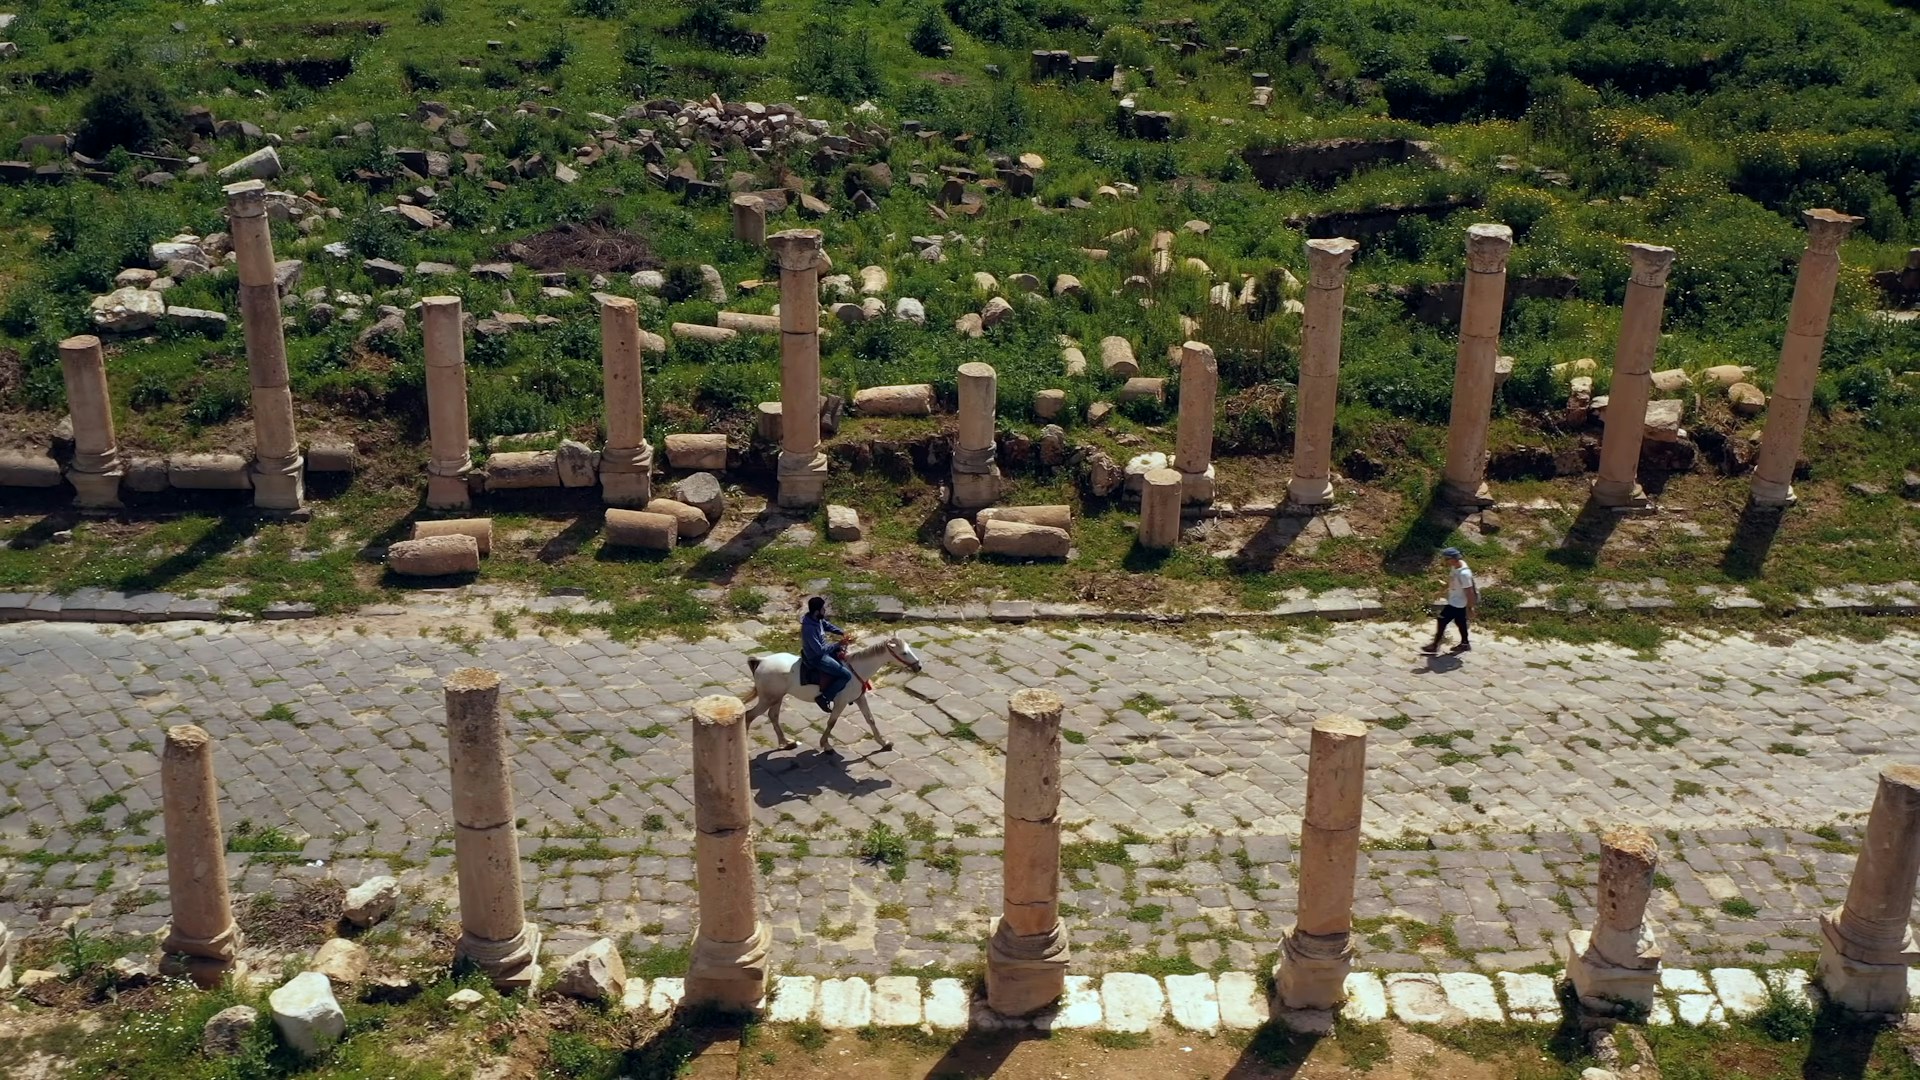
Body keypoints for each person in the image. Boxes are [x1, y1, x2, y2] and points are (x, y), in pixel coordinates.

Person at [800, 596, 852, 712]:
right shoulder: (809, 629)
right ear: (817, 611)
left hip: (823, 652)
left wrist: (842, 632)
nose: (825, 611)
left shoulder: (816, 619)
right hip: (816, 658)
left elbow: (827, 625)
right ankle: (824, 697)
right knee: (846, 675)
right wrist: (839, 644)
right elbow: (819, 650)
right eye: (823, 609)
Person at [1421, 547, 1477, 655]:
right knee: (1460, 622)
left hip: (1457, 603)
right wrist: (1441, 591)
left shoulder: (1464, 574)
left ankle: (1435, 645)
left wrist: (1470, 608)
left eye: (1446, 559)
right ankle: (1465, 644)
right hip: (1455, 600)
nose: (1444, 561)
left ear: (1453, 559)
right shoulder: (1455, 566)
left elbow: (1469, 592)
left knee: (1441, 620)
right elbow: (1451, 580)